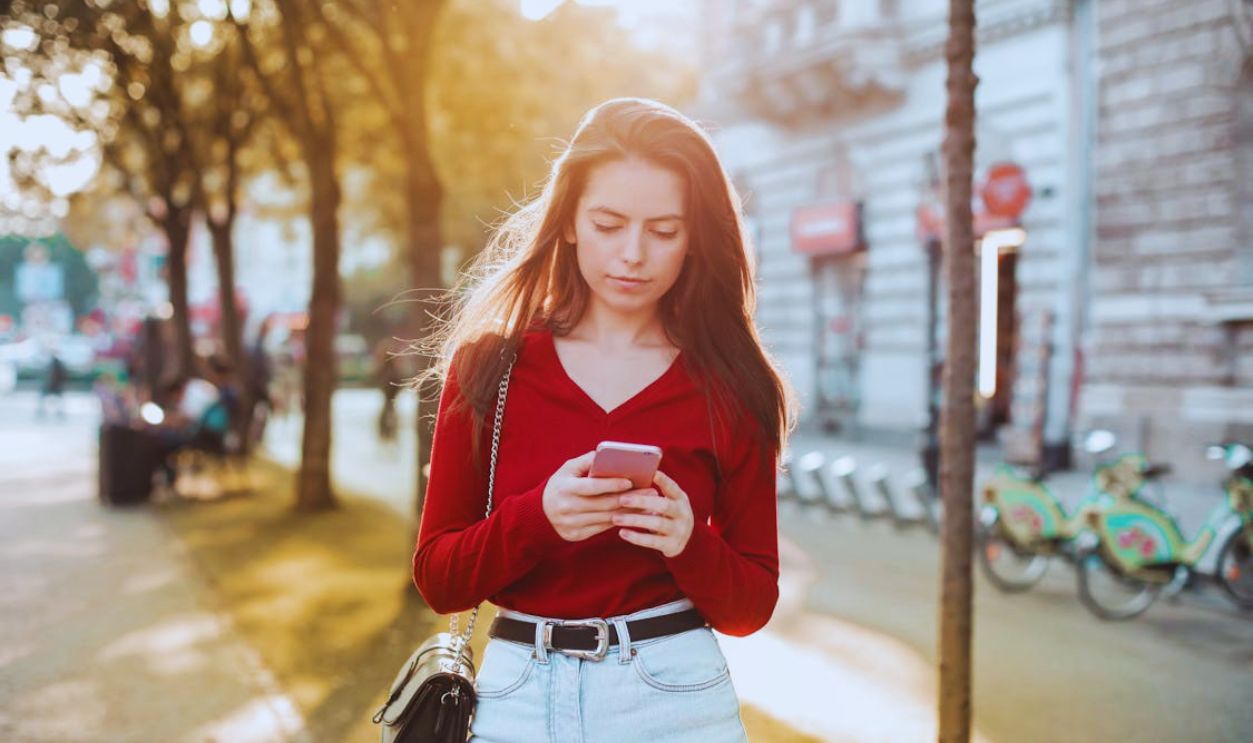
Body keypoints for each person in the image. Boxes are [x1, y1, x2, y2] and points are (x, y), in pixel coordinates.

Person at [413, 98, 795, 742]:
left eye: (664, 231)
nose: (633, 254)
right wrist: (539, 518)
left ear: (696, 236)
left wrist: (686, 541)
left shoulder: (731, 384)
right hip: (518, 700)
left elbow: (751, 605)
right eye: (609, 223)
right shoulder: (490, 368)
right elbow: (440, 580)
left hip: (674, 700)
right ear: (568, 222)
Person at [38, 350, 68, 418]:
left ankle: (59, 412)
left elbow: (61, 374)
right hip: (53, 385)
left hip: (53, 385)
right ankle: (59, 412)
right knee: (57, 399)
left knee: (58, 399)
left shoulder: (55, 363)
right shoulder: (55, 363)